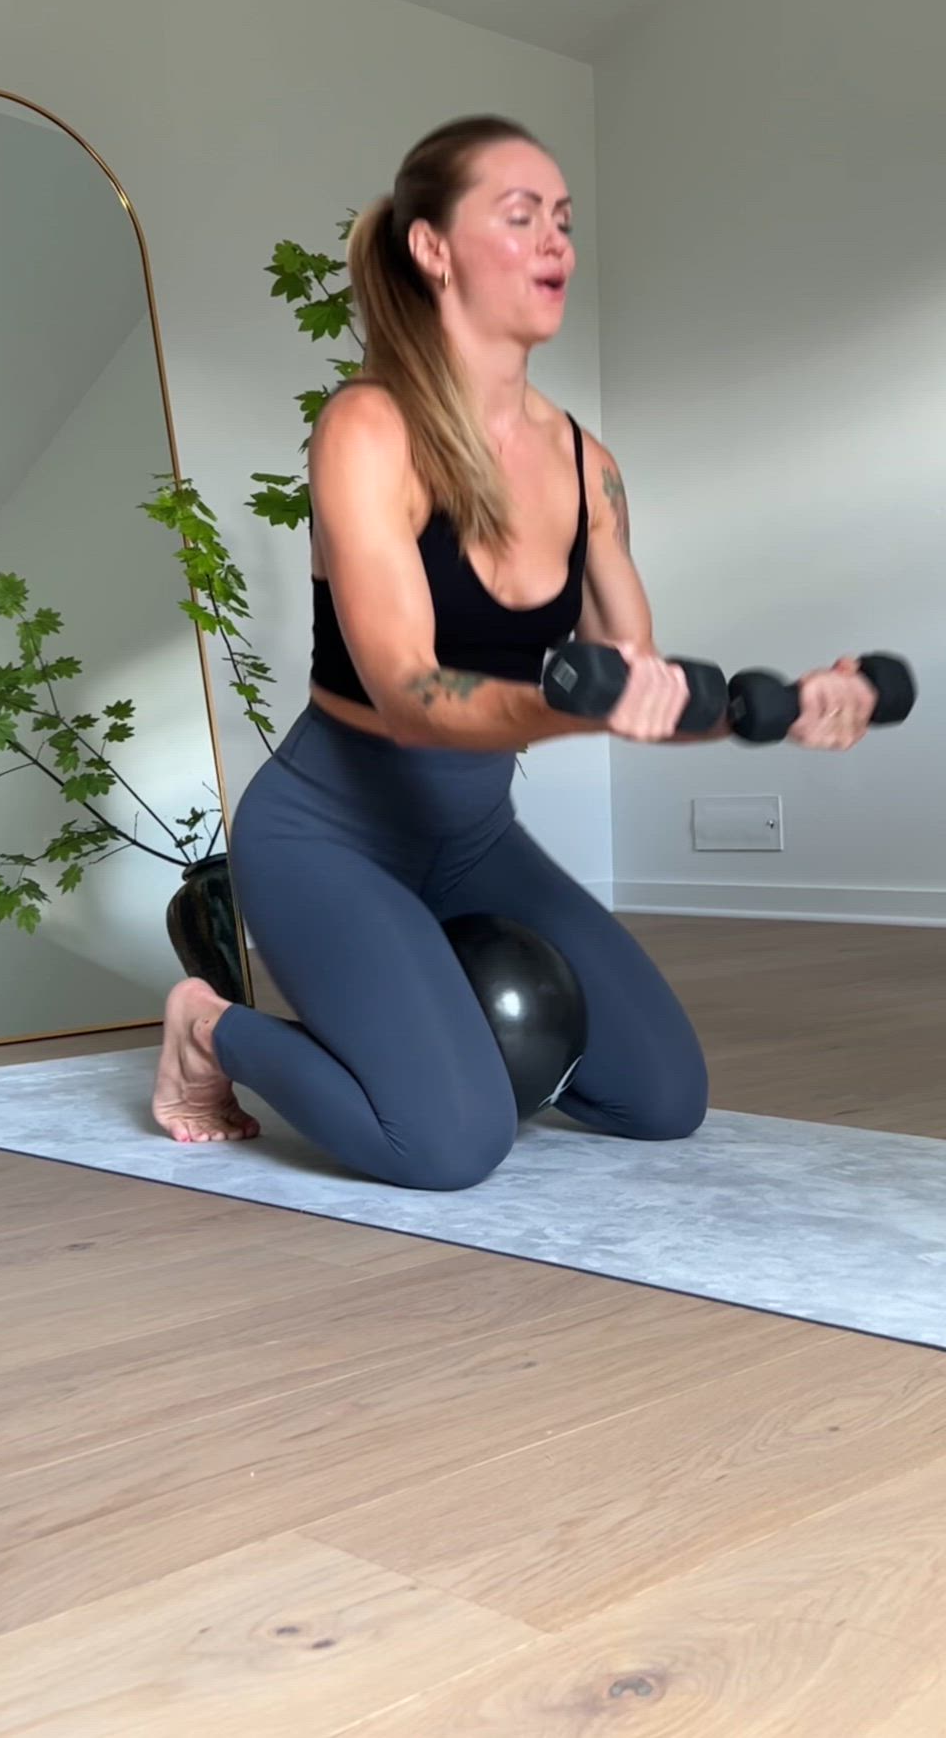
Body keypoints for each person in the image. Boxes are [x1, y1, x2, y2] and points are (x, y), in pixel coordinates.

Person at [151, 114, 878, 1185]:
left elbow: (636, 682)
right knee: (445, 1144)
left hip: (474, 840)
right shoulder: (368, 428)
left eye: (565, 222)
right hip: (329, 836)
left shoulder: (588, 465)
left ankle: (422, 1033)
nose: (556, 244)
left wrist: (782, 706)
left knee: (661, 1098)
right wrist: (574, 701)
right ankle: (208, 1027)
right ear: (432, 248)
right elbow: (406, 692)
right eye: (520, 215)